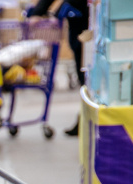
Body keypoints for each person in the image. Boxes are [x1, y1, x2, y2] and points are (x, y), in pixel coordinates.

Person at [26, 0, 88, 136]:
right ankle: (85, 119)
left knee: (85, 75)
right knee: (85, 75)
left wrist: (39, 12)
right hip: (83, 21)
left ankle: (86, 120)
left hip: (85, 22)